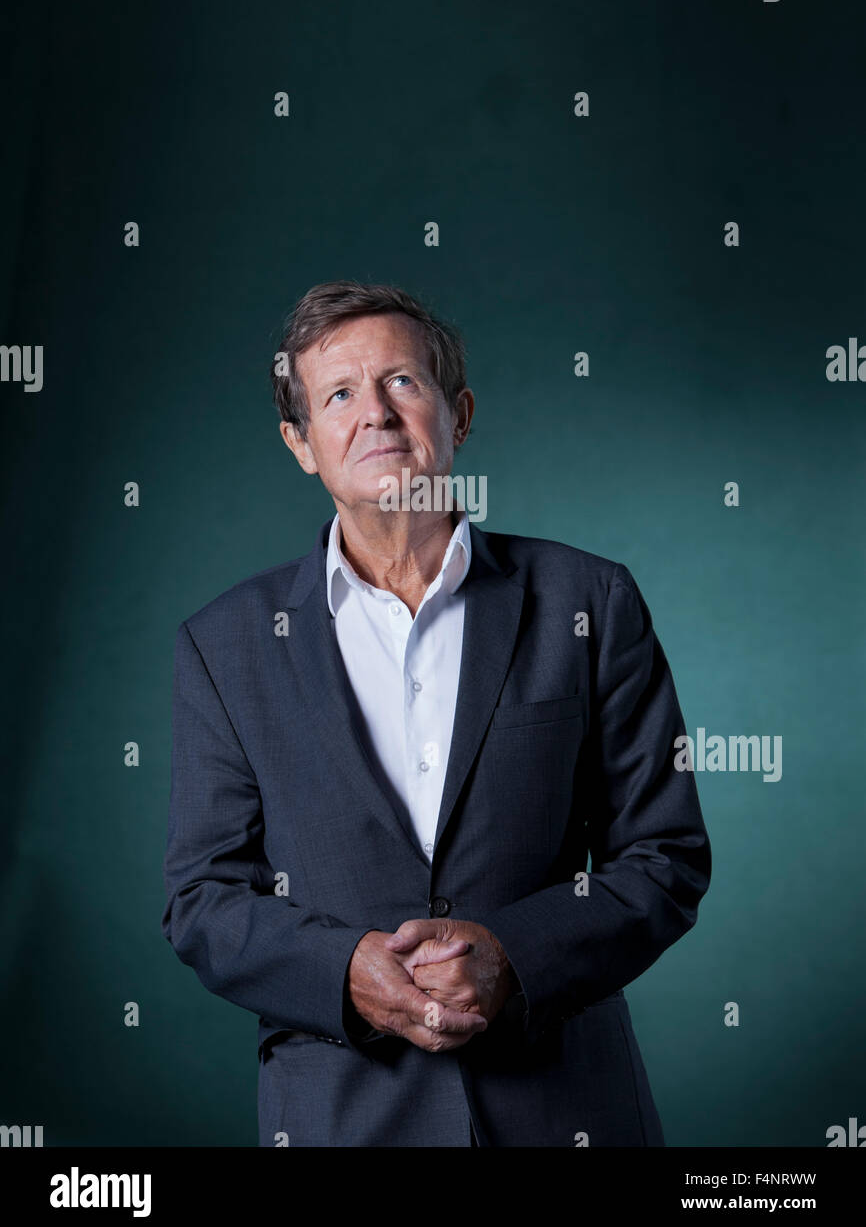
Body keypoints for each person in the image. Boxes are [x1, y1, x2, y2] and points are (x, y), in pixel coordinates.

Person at [162, 280, 711, 1147]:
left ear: (458, 414)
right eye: (338, 394)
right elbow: (203, 900)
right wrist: (344, 971)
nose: (374, 414)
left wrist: (515, 958)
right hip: (342, 1119)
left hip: (566, 1112)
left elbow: (666, 856)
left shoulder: (589, 600)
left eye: (402, 384)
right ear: (301, 444)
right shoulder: (223, 646)